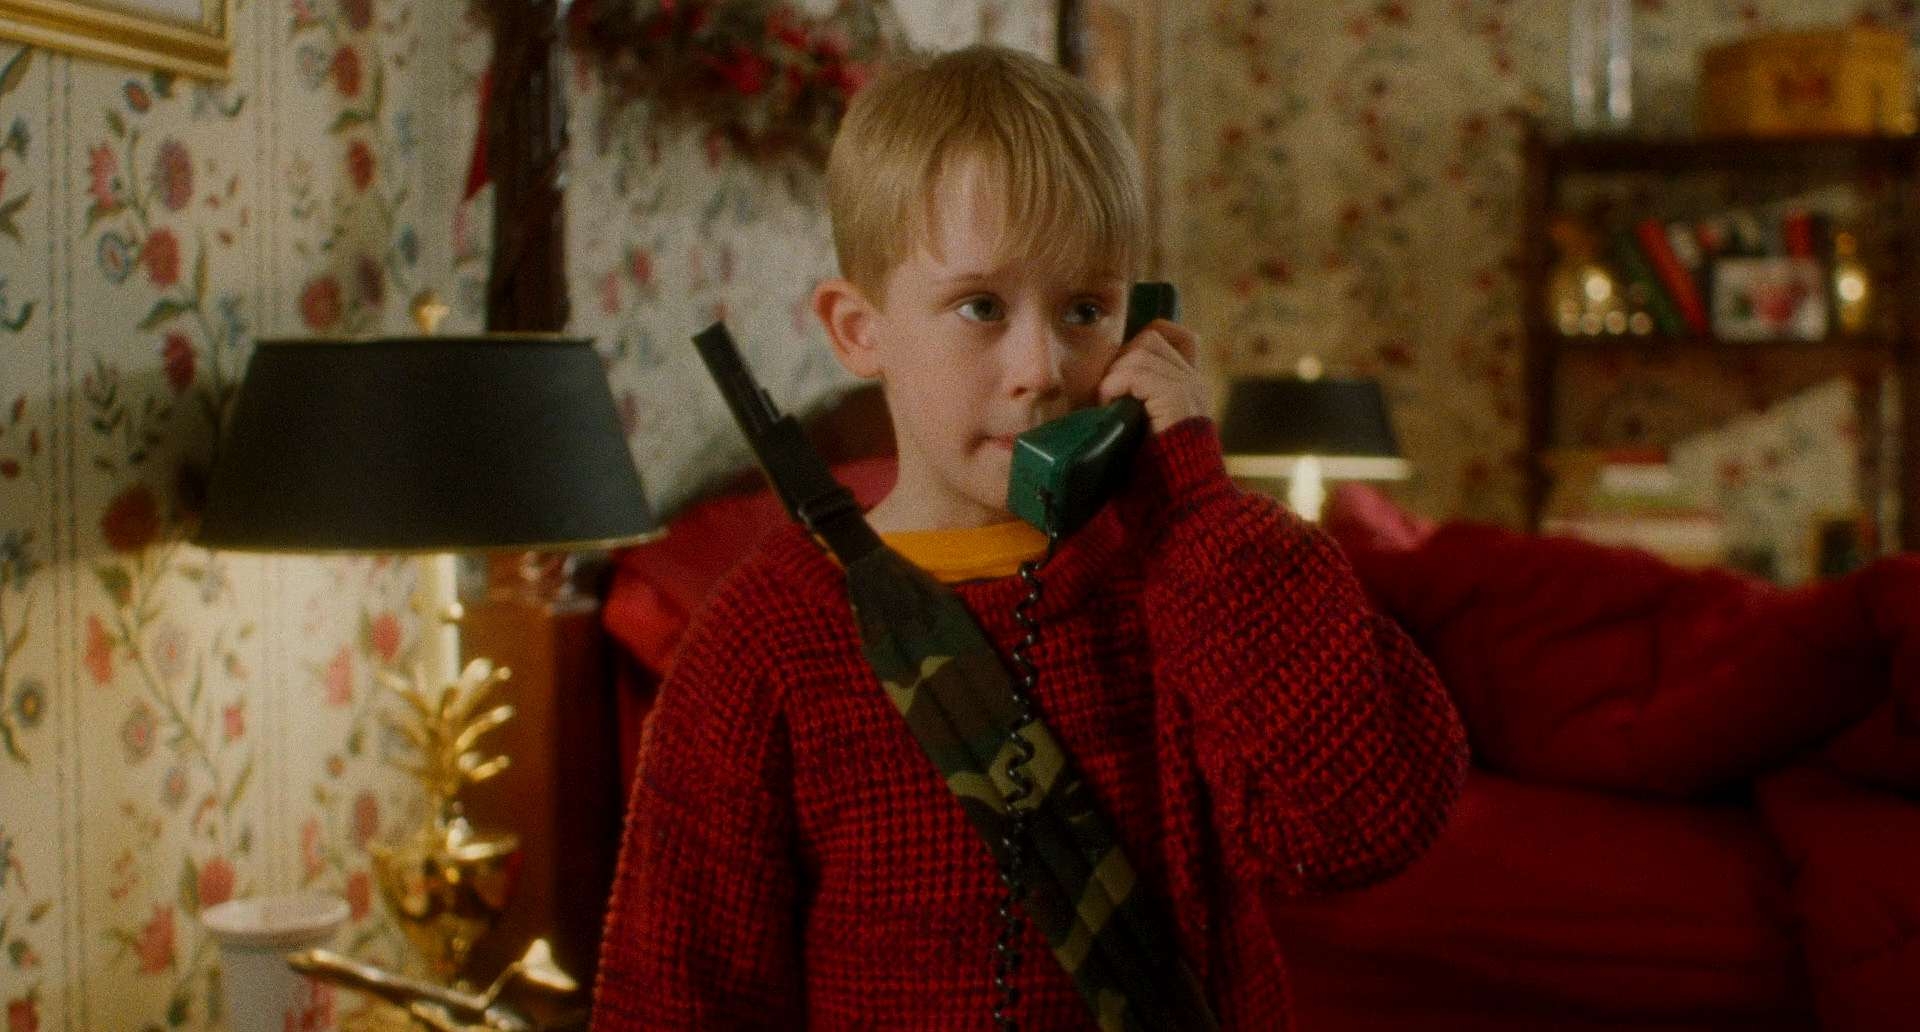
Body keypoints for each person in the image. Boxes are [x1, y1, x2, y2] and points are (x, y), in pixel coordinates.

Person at [591, 44, 1468, 1030]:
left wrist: (1193, 506)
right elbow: (676, 999)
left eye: (1086, 309)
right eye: (981, 306)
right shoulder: (764, 640)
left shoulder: (1184, 581)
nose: (1042, 367)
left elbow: (1364, 825)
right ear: (859, 330)